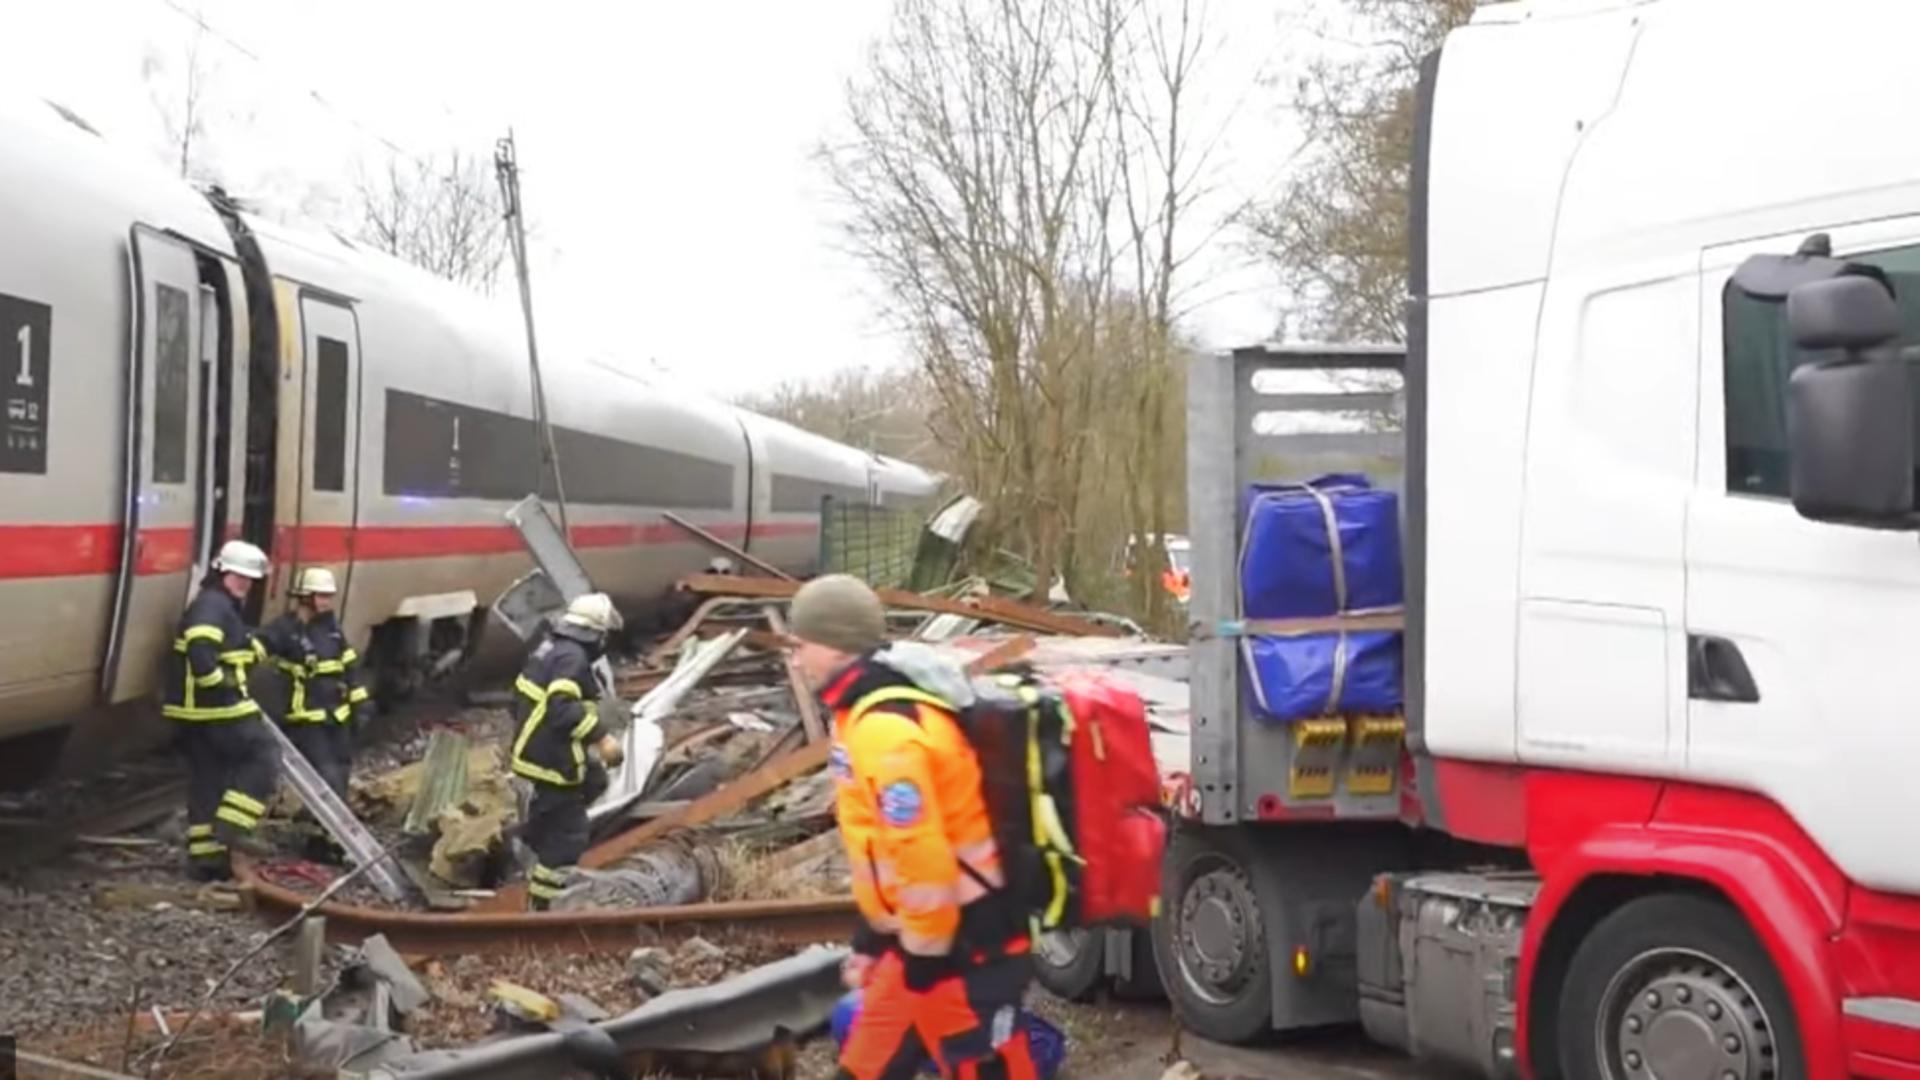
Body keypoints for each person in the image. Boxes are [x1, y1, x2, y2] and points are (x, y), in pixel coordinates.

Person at [786, 574, 1039, 1080]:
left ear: (837, 646)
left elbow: (920, 852)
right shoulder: (860, 713)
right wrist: (874, 935)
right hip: (922, 942)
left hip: (963, 947)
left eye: (800, 644)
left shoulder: (884, 728)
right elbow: (881, 848)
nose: (794, 658)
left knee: (982, 1068)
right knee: (864, 1067)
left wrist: (924, 955)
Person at [163, 539, 278, 882]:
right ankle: (232, 827)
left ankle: (206, 860)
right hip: (214, 710)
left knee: (207, 782)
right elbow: (201, 646)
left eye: (248, 580)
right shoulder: (213, 606)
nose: (244, 584)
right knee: (262, 756)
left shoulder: (219, 604)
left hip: (196, 713)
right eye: (238, 577)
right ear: (220, 572)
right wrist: (217, 682)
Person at [509, 592, 625, 910]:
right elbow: (562, 710)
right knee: (568, 839)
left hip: (537, 757)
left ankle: (529, 833)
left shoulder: (548, 650)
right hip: (552, 765)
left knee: (595, 781)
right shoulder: (572, 660)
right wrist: (602, 739)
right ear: (595, 633)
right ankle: (543, 905)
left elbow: (516, 702)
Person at [258, 566, 370, 861]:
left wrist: (360, 704)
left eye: (328, 596)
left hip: (337, 718)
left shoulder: (331, 629)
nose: (325, 602)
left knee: (341, 773)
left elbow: (349, 665)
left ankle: (327, 837)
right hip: (306, 720)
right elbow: (254, 649)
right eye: (321, 596)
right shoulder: (284, 630)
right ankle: (324, 840)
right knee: (326, 776)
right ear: (305, 596)